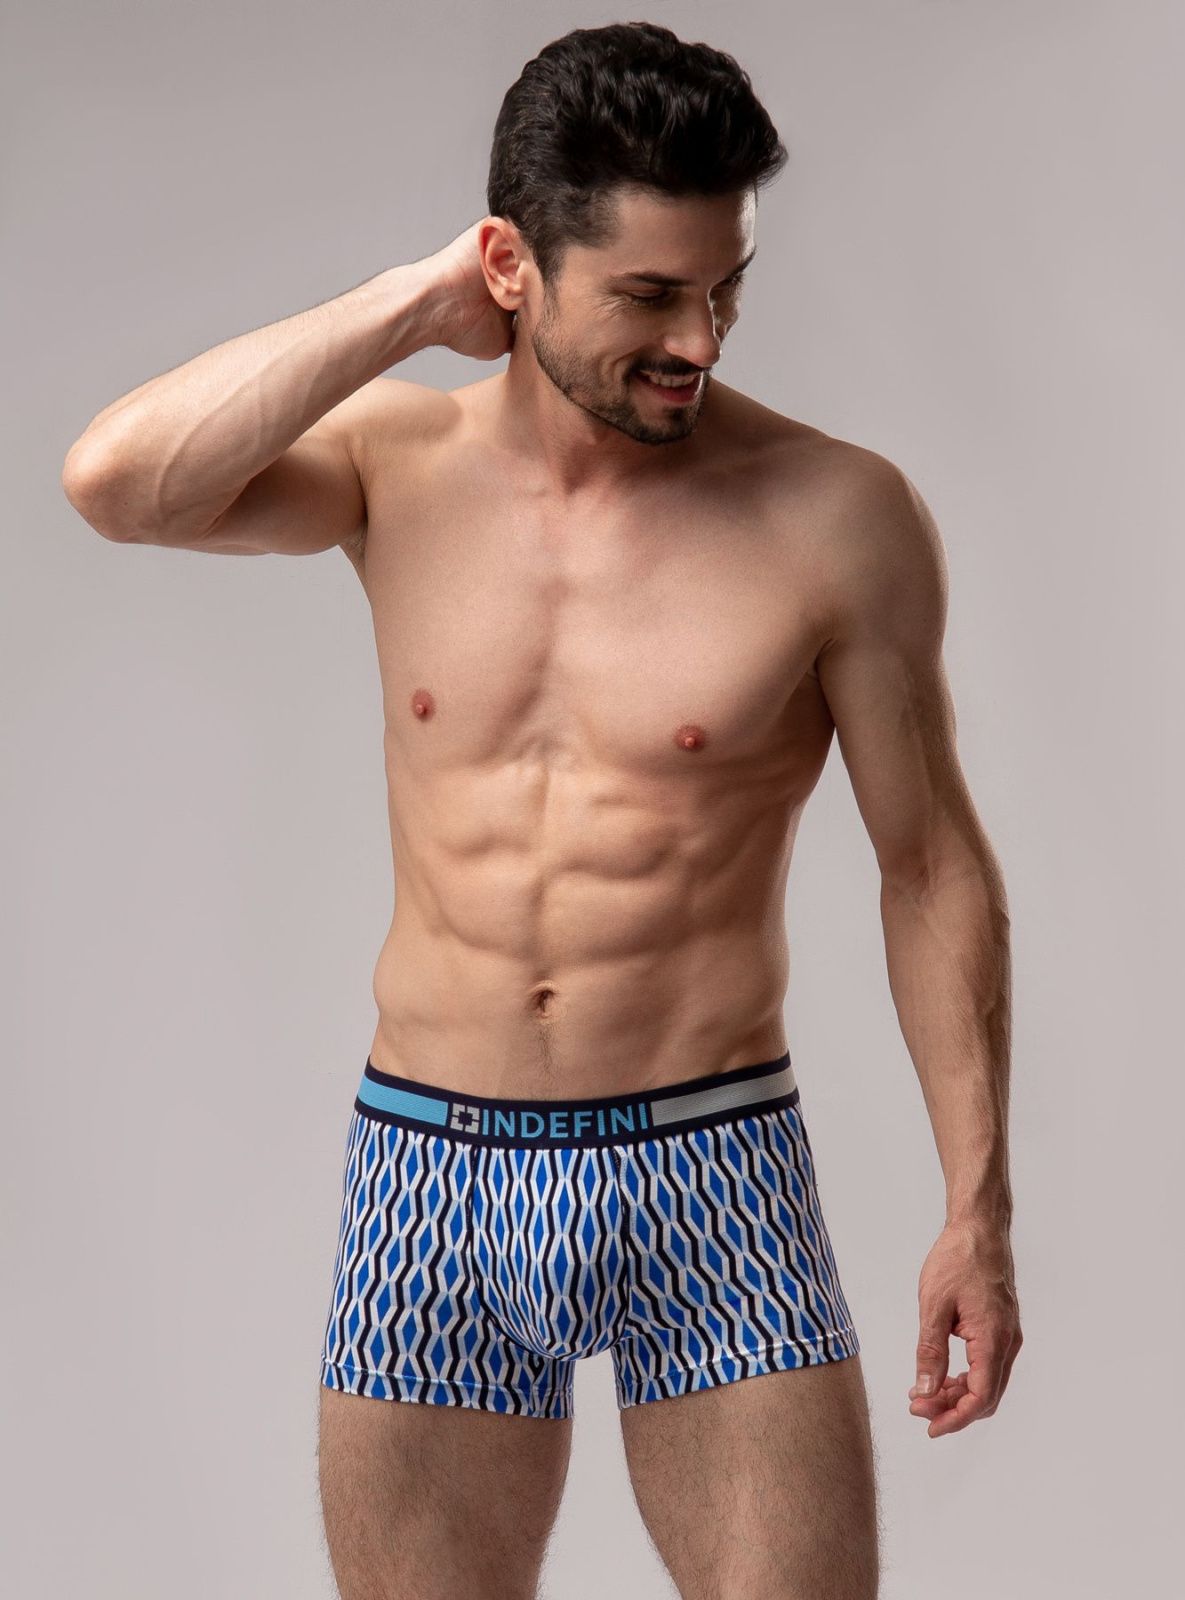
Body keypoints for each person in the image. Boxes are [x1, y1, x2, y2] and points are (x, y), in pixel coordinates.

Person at [61, 19, 1022, 1600]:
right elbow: (120, 483)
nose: (700, 340)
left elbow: (929, 868)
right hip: (429, 1175)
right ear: (510, 265)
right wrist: (410, 304)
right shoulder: (395, 464)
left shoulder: (836, 516)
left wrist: (974, 1208)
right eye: (647, 296)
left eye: (724, 288)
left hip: (709, 1169)